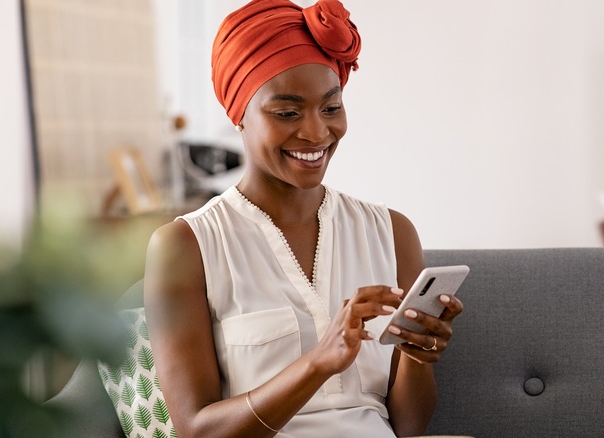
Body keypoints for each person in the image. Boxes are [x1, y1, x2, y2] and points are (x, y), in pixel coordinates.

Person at [143, 0, 463, 436]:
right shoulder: (186, 246)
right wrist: (318, 363)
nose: (316, 133)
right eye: (287, 113)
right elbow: (198, 430)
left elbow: (408, 427)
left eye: (331, 108)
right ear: (238, 114)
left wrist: (416, 356)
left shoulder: (392, 233)